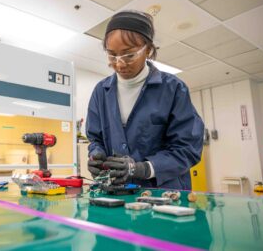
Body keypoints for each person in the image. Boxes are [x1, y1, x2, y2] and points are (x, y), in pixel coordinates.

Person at [86, 10, 204, 190]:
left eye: (128, 55)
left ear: (148, 50)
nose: (119, 64)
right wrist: (96, 155)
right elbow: (95, 139)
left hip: (164, 195)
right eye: (112, 55)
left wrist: (143, 169)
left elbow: (188, 149)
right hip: (117, 192)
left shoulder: (173, 89)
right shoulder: (101, 92)